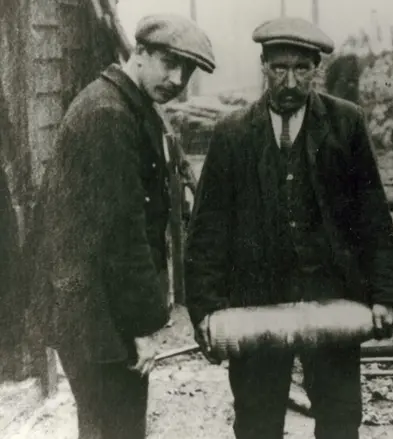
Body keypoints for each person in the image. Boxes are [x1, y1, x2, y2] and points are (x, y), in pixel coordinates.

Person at [185, 16, 393, 439]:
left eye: (301, 69)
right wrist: (206, 308)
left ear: (316, 70)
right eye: (280, 68)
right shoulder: (232, 134)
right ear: (264, 66)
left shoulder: (346, 124)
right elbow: (208, 229)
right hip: (255, 304)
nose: (290, 81)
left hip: (331, 299)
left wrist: (387, 295)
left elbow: (372, 216)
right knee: (256, 421)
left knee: (340, 419)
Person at [27, 14, 215, 439]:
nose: (177, 77)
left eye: (187, 70)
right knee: (116, 429)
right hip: (99, 319)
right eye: (169, 62)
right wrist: (140, 329)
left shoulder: (126, 105)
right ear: (140, 53)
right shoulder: (109, 115)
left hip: (99, 313)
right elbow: (123, 234)